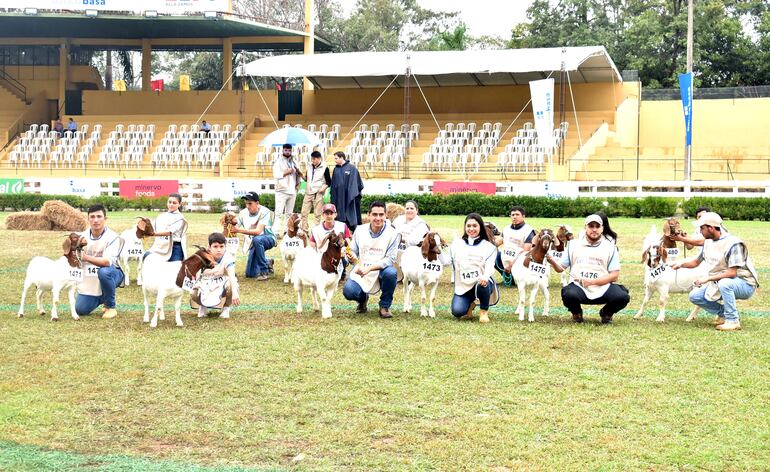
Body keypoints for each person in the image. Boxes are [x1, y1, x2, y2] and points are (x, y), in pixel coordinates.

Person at [671, 212, 758, 331]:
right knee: (695, 296)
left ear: (711, 228)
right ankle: (723, 314)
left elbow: (732, 273)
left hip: (745, 284)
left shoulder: (733, 244)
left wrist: (707, 278)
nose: (700, 231)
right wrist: (680, 264)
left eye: (702, 228)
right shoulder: (708, 242)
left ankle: (733, 320)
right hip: (721, 281)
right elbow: (695, 262)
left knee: (725, 283)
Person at [546, 214, 629, 324]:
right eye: (591, 226)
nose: (594, 229)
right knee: (568, 294)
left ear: (602, 228)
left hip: (602, 287)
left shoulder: (610, 247)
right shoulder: (573, 245)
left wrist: (591, 282)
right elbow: (560, 269)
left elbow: (614, 276)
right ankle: (577, 313)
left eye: (597, 226)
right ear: (585, 227)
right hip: (579, 287)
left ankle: (606, 313)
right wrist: (551, 261)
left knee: (622, 296)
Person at [343, 200, 400, 318]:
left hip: (380, 270)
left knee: (391, 273)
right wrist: (349, 255)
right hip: (361, 269)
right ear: (368, 215)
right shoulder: (359, 230)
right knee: (349, 292)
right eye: (374, 214)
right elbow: (353, 250)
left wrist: (369, 268)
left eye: (381, 214)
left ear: (385, 216)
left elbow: (390, 259)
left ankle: (384, 305)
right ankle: (362, 299)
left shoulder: (393, 233)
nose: (378, 218)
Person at [445, 213, 499, 323]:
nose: (471, 229)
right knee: (457, 311)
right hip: (463, 285)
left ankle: (483, 311)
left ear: (480, 227)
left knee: (482, 284)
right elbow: (446, 262)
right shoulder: (456, 245)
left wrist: (485, 276)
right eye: (468, 226)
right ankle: (471, 303)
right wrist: (432, 252)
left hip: (482, 283)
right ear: (465, 227)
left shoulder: (489, 247)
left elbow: (490, 267)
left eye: (475, 226)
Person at [74, 204, 125, 319]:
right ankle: (103, 296)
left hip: (112, 273)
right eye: (92, 217)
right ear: (88, 219)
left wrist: (85, 257)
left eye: (99, 216)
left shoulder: (113, 237)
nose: (95, 220)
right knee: (80, 310)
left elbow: (107, 262)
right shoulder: (81, 237)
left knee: (104, 272)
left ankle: (110, 306)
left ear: (105, 219)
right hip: (90, 278)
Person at [192, 232, 240, 319]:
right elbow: (197, 275)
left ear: (225, 247)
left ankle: (226, 308)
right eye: (215, 246)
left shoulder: (228, 257)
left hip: (222, 283)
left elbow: (232, 276)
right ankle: (203, 306)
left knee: (231, 286)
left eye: (221, 246)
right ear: (209, 247)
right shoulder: (203, 256)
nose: (219, 250)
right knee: (193, 291)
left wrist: (235, 292)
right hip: (206, 283)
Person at [233, 191, 275, 280]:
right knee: (250, 274)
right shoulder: (243, 213)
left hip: (268, 238)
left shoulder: (265, 211)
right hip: (253, 242)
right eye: (246, 204)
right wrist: (229, 223)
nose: (247, 206)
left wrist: (238, 230)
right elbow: (235, 225)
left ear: (257, 203)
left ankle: (264, 272)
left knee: (257, 240)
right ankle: (267, 262)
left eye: (250, 204)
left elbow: (258, 231)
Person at [495, 205, 535, 285]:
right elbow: (498, 242)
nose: (514, 217)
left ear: (523, 216)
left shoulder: (528, 231)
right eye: (512, 215)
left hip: (519, 262)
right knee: (493, 255)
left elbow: (525, 253)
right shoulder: (506, 229)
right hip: (505, 259)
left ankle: (516, 279)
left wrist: (511, 264)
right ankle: (508, 278)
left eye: (517, 214)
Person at [145, 193, 187, 262]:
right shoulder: (161, 216)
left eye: (174, 203)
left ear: (179, 204)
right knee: (147, 257)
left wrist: (153, 234)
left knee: (175, 270)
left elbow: (169, 232)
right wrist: (145, 224)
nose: (171, 204)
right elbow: (152, 227)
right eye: (169, 202)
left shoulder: (180, 218)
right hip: (160, 246)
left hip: (175, 247)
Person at [330, 151, 364, 234]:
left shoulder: (352, 168)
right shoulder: (335, 169)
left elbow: (357, 183)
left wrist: (352, 193)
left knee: (351, 212)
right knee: (339, 214)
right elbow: (333, 184)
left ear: (341, 158)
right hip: (339, 197)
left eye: (336, 158)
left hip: (349, 197)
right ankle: (341, 231)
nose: (335, 160)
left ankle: (354, 231)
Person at [272, 143, 301, 237]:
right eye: (286, 150)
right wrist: (286, 172)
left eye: (289, 150)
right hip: (281, 190)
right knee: (278, 213)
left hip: (292, 190)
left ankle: (286, 231)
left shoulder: (294, 162)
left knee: (289, 213)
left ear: (291, 151)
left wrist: (298, 179)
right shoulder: (278, 162)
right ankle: (276, 232)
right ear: (282, 150)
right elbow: (276, 175)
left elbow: (299, 174)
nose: (288, 152)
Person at [300, 150, 331, 232]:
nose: (312, 161)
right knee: (303, 212)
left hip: (318, 193)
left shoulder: (325, 168)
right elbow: (307, 179)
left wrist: (323, 188)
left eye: (314, 159)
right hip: (308, 193)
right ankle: (304, 230)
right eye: (312, 159)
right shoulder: (309, 166)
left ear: (319, 158)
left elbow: (329, 182)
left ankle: (316, 231)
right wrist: (300, 174)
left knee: (317, 214)